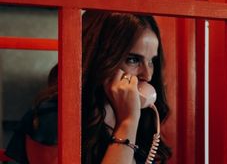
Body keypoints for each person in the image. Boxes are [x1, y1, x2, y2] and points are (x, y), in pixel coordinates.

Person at [5, 11, 172, 164]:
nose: (147, 75)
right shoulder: (54, 117)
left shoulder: (139, 116)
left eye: (151, 61)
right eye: (133, 60)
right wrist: (128, 122)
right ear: (101, 59)